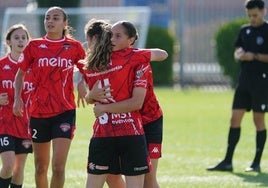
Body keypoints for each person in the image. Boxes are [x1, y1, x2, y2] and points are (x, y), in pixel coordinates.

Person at [77, 19, 167, 188]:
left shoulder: (137, 59)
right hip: (119, 123)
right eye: (110, 35)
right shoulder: (100, 62)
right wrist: (89, 95)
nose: (112, 39)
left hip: (148, 120)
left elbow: (136, 102)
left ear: (130, 40)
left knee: (148, 178)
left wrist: (138, 53)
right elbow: (93, 92)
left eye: (118, 36)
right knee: (112, 176)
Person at [13, 7, 85, 188]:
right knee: (40, 167)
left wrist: (82, 82)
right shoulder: (34, 46)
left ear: (65, 23)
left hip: (64, 111)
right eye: (47, 18)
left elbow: (87, 68)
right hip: (38, 112)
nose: (50, 21)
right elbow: (20, 74)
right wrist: (17, 99)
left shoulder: (74, 47)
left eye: (55, 18)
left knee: (59, 167)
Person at [207, 0, 268, 173]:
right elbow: (237, 50)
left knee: (258, 121)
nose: (252, 19)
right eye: (249, 16)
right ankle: (227, 161)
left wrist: (254, 56)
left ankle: (256, 162)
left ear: (264, 11)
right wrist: (239, 54)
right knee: (234, 119)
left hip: (262, 83)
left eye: (255, 15)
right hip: (244, 83)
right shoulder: (244, 30)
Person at [0, 24, 33, 188]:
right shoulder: (1, 65)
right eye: (16, 37)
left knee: (19, 169)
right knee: (8, 166)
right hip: (4, 124)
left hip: (25, 124)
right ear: (9, 42)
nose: (21, 41)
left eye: (24, 37)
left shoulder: (33, 68)